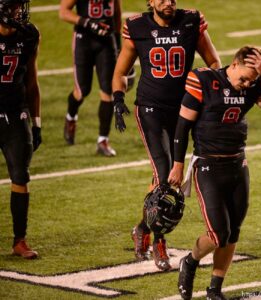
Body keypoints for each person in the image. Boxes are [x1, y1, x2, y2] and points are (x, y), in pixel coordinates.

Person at [168, 46, 261, 299]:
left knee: (233, 231)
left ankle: (214, 289)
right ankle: (190, 260)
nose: (245, 84)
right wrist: (177, 164)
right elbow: (182, 126)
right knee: (218, 233)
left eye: (250, 80)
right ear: (233, 64)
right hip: (208, 165)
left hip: (237, 164)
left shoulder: (253, 85)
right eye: (243, 77)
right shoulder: (204, 80)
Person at [112, 0, 221, 271]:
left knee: (167, 178)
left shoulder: (191, 21)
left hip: (183, 111)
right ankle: (158, 242)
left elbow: (214, 62)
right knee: (165, 176)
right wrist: (117, 97)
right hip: (150, 110)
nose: (168, 3)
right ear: (150, 2)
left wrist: (207, 92)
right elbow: (120, 72)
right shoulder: (137, 26)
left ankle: (141, 229)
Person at [0, 0, 42, 259]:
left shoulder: (28, 35)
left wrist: (36, 122)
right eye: (13, 6)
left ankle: (19, 240)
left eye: (19, 6)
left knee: (20, 175)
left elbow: (31, 80)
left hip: (16, 115)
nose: (18, 11)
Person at [59, 0, 122, 156]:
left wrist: (119, 44)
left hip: (107, 41)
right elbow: (63, 12)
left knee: (109, 92)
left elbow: (117, 13)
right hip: (84, 40)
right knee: (82, 91)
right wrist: (87, 22)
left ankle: (102, 140)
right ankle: (71, 116)